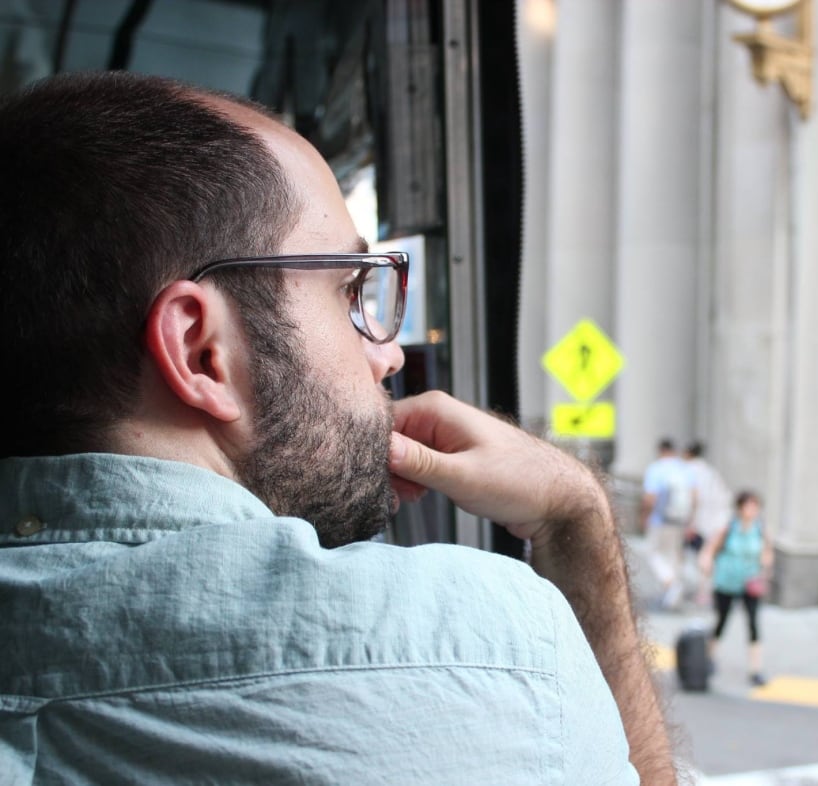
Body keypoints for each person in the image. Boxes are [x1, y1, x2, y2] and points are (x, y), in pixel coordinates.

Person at [0, 71, 676, 784]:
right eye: (350, 290)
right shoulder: (494, 649)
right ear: (201, 352)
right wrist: (578, 516)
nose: (388, 353)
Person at [698, 490, 774, 687]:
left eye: (755, 506)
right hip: (726, 581)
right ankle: (709, 658)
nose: (752, 510)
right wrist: (706, 563)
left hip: (750, 582)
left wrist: (765, 566)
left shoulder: (760, 529)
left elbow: (767, 552)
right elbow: (710, 549)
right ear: (740, 508)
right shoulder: (729, 527)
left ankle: (755, 669)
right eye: (748, 506)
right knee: (721, 620)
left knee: (753, 624)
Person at [640, 437, 694, 610]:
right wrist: (691, 520)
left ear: (661, 450)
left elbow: (650, 497)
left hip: (660, 519)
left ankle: (670, 583)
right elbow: (695, 496)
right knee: (672, 556)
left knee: (653, 553)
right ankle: (671, 593)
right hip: (680, 520)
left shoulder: (656, 469)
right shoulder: (683, 469)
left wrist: (645, 515)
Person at [682, 441, 733, 605]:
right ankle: (707, 590)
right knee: (708, 555)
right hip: (719, 520)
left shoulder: (689, 471)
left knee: (702, 556)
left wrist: (690, 523)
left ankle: (704, 591)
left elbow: (694, 499)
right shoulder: (710, 470)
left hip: (703, 521)